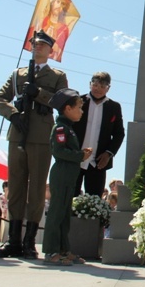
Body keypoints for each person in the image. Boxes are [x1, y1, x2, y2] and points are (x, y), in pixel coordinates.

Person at [0, 30, 68, 259]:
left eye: (42, 45)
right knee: (15, 185)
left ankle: (29, 242)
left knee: (36, 187)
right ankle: (13, 240)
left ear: (50, 50)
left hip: (41, 135)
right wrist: (13, 114)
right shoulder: (18, 74)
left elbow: (63, 102)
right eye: (34, 44)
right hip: (18, 132)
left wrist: (40, 93)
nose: (37, 47)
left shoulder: (57, 75)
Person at [42, 88, 92, 266]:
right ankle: (51, 251)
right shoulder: (61, 128)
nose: (81, 111)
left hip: (69, 174)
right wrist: (80, 156)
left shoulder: (68, 128)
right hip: (62, 173)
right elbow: (59, 151)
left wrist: (79, 154)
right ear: (67, 109)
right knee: (56, 213)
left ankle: (63, 249)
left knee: (64, 214)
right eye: (78, 107)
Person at [73, 72, 125, 197]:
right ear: (90, 84)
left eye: (102, 86)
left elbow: (119, 134)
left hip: (98, 162)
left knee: (94, 200)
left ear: (108, 88)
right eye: (95, 85)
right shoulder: (79, 102)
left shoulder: (114, 107)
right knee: (69, 198)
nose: (98, 89)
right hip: (75, 158)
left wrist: (109, 153)